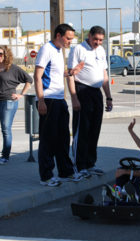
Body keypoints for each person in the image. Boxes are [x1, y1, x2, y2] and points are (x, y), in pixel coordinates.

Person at [34, 23, 83, 187]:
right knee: (48, 139)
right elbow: (38, 76)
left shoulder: (58, 51)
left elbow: (55, 74)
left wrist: (71, 72)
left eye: (71, 38)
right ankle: (46, 175)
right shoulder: (46, 49)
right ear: (58, 36)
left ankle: (66, 171)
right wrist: (41, 100)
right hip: (48, 99)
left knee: (62, 137)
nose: (70, 41)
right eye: (68, 38)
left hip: (59, 99)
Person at [67, 25, 113, 178]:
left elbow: (104, 75)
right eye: (95, 39)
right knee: (83, 130)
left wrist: (108, 97)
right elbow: (71, 75)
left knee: (94, 129)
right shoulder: (78, 49)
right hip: (82, 91)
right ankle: (79, 165)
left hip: (96, 92)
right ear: (89, 35)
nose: (98, 42)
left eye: (101, 40)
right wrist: (74, 98)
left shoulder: (100, 50)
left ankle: (90, 163)